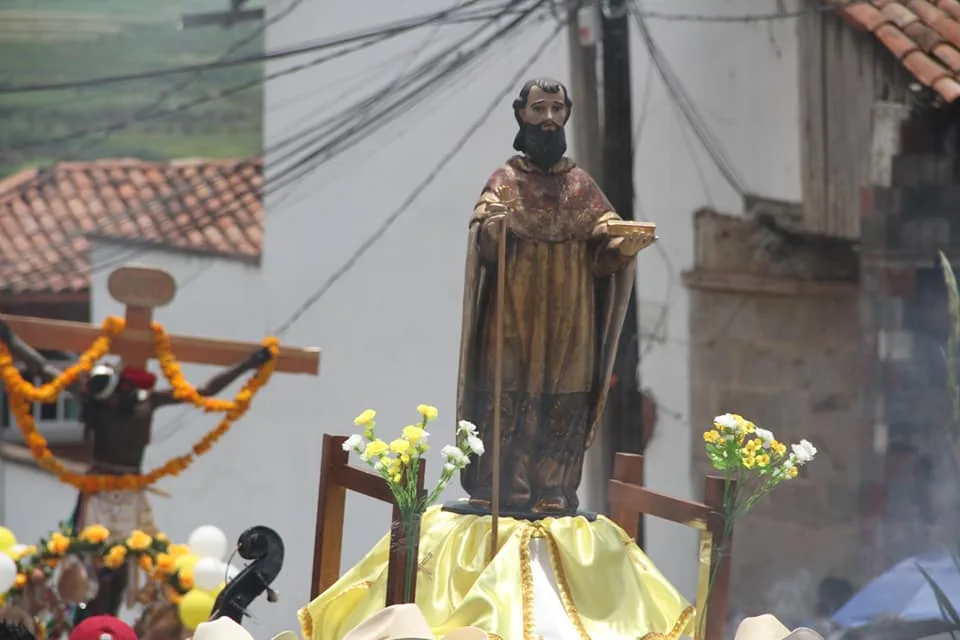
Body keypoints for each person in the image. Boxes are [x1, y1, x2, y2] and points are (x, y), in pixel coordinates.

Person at [456, 77, 651, 514]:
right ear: (521, 115)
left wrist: (623, 247)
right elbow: (485, 241)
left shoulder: (581, 188)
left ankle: (552, 486)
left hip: (570, 317)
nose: (548, 119)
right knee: (506, 392)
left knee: (564, 399)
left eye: (556, 111)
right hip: (513, 313)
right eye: (539, 109)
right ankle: (502, 483)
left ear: (566, 116)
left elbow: (603, 247)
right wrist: (495, 226)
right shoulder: (505, 180)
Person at [0, 318, 272, 615]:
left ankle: (110, 619)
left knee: (128, 564)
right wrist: (11, 341)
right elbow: (45, 370)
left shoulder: (147, 401)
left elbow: (204, 391)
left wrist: (249, 364)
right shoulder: (94, 395)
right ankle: (88, 621)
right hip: (98, 490)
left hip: (131, 491)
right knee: (92, 560)